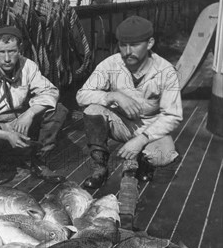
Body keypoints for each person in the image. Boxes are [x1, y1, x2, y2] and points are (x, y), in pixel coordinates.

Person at [76, 15, 182, 189]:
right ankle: (100, 168)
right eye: (123, 45)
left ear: (149, 43)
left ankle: (145, 161)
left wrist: (141, 140)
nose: (127, 51)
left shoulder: (166, 71)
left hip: (150, 127)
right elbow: (81, 95)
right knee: (92, 109)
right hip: (121, 123)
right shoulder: (110, 64)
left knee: (163, 156)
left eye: (134, 45)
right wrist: (113, 96)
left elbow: (172, 116)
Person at [0, 25, 68, 182]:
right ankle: (0, 161)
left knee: (58, 110)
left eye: (12, 51)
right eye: (1, 52)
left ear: (19, 49)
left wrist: (29, 114)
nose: (7, 58)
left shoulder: (27, 66)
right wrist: (7, 135)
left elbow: (50, 92)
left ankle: (39, 161)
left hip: (20, 123)